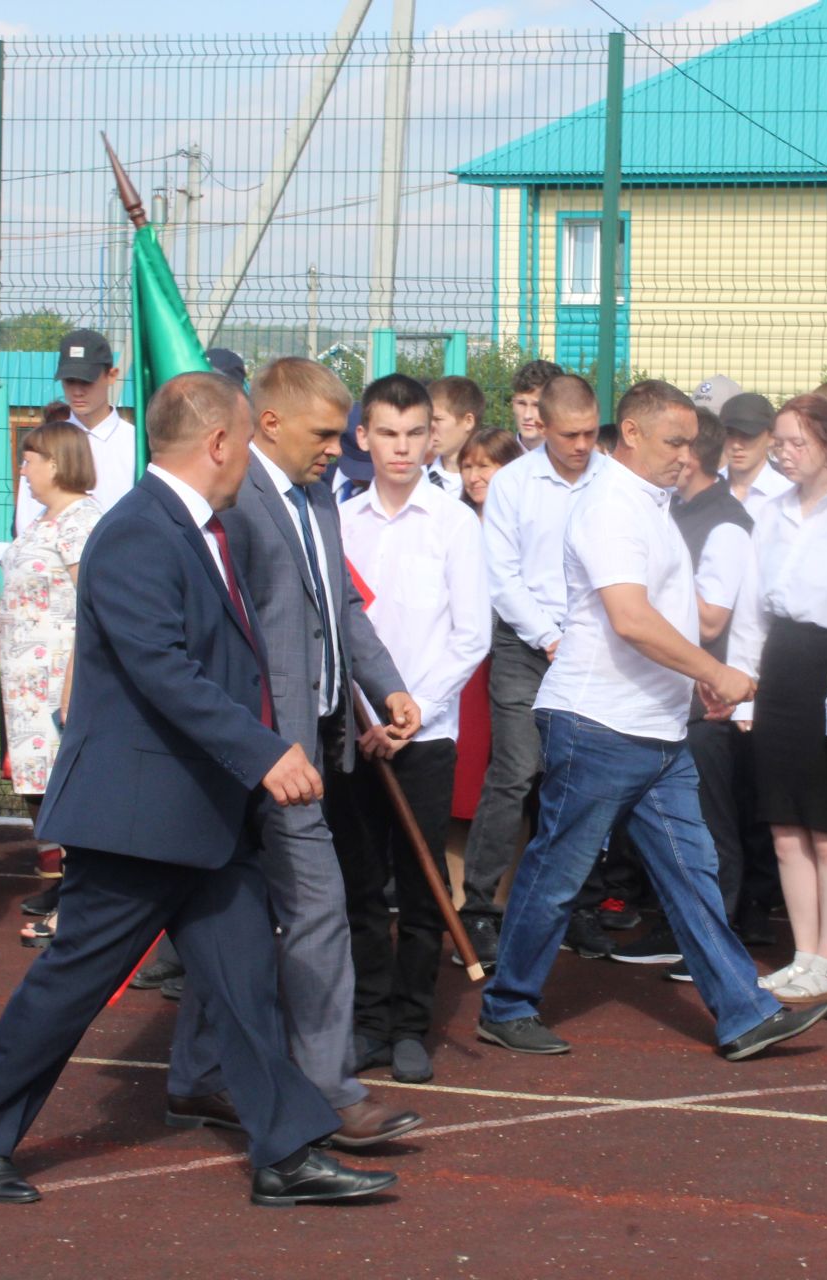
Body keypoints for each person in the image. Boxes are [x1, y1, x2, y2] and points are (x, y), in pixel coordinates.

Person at [0, 371, 393, 1208]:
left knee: (247, 982)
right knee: (74, 980)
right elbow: (163, 672)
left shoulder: (204, 531)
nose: (254, 458)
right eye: (246, 442)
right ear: (220, 442)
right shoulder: (139, 533)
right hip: (140, 815)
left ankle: (286, 1151)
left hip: (201, 812)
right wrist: (264, 752)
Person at [475, 381, 827, 1062]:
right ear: (631, 434)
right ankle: (506, 1004)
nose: (687, 454)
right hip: (598, 725)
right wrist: (715, 672)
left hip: (655, 732)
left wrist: (696, 682)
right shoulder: (613, 506)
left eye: (692, 441)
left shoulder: (648, 503)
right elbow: (631, 618)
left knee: (692, 875)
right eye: (674, 441)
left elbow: (662, 614)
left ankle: (744, 1012)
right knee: (555, 876)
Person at [169, 356, 424, 1150]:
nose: (336, 447)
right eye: (323, 433)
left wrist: (386, 685)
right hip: (258, 755)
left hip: (309, 747)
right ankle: (325, 1091)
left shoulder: (318, 496)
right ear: (267, 424)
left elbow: (338, 604)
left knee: (239, 921)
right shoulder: (233, 501)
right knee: (312, 914)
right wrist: (251, 740)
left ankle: (200, 1076)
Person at [335, 373, 491, 1085]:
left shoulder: (454, 523)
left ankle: (409, 1025)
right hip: (355, 735)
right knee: (359, 887)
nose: (401, 448)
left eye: (413, 434)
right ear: (363, 439)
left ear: (434, 437)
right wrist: (367, 717)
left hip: (425, 737)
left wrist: (412, 712)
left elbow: (471, 637)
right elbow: (337, 631)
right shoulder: (340, 521)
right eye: (386, 434)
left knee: (423, 885)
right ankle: (368, 1021)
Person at [460, 375, 609, 967]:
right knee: (516, 771)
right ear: (541, 426)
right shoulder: (514, 485)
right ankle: (478, 908)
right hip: (528, 646)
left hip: (599, 648)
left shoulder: (616, 481)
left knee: (585, 776)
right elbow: (503, 577)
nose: (582, 444)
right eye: (570, 434)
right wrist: (550, 638)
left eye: (591, 433)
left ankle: (576, 908)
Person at [612, 404, 756, 976]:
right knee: (678, 828)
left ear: (692, 453)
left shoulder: (725, 522)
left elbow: (712, 620)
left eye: (679, 443)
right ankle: (689, 932)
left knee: (710, 825)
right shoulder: (670, 509)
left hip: (709, 701)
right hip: (674, 693)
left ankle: (719, 934)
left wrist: (640, 591)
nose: (672, 454)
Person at [736, 394, 827, 1004]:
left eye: (796, 443)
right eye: (778, 443)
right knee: (786, 827)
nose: (783, 454)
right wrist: (745, 693)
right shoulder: (771, 511)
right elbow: (751, 607)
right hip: (780, 668)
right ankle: (803, 953)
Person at [0, 422, 103, 947]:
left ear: (57, 463)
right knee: (44, 789)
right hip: (26, 684)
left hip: (57, 680)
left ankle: (80, 907)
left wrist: (72, 683)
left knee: (73, 795)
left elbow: (95, 606)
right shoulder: (44, 519)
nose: (23, 469)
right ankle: (67, 890)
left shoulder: (82, 521)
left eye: (30, 459)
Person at [450, 426, 524, 825]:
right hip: (469, 666)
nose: (474, 476)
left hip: (513, 660)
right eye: (467, 466)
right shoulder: (454, 520)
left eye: (486, 466)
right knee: (468, 781)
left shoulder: (525, 525)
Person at [13, 329, 136, 533]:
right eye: (70, 381)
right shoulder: (44, 445)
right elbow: (28, 523)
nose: (77, 391)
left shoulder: (136, 444)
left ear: (112, 375)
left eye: (87, 381)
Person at [719, 392, 793, 519]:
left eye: (747, 435)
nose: (736, 445)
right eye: (729, 433)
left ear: (771, 437)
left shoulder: (787, 494)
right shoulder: (707, 488)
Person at [424, 374, 483, 497]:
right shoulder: (418, 476)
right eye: (427, 419)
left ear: (468, 421)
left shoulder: (489, 481)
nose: (430, 427)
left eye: (438, 419)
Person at [456, 425, 521, 518]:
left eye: (483, 466)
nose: (472, 478)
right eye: (467, 467)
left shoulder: (528, 520)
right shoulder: (454, 520)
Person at [508, 359, 562, 450]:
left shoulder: (571, 460)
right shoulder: (499, 459)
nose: (527, 415)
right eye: (521, 403)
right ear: (513, 403)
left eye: (537, 405)